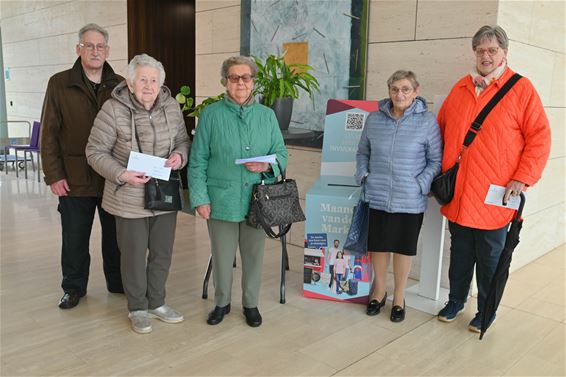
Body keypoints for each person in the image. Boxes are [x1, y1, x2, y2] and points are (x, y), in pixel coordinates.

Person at [436, 25, 551, 333]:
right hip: (460, 192)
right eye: (480, 50)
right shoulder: (461, 88)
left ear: (504, 53)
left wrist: (523, 177)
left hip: (496, 194)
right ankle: (456, 300)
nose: (485, 56)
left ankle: (487, 310)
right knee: (460, 253)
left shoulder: (521, 89)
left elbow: (539, 138)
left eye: (492, 50)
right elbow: (440, 129)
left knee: (491, 257)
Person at [86, 53, 190, 334]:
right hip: (128, 194)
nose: (148, 85)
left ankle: (157, 302)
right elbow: (94, 152)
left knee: (161, 253)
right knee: (132, 255)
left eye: (153, 80)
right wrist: (122, 174)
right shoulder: (113, 109)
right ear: (130, 83)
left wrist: (180, 156)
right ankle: (137, 308)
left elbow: (183, 140)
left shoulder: (171, 107)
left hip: (164, 193)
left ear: (160, 84)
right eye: (142, 79)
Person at [189, 56, 288, 328]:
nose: (240, 83)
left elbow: (281, 154)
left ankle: (250, 304)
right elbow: (197, 160)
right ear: (225, 82)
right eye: (234, 77)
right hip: (221, 199)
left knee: (254, 256)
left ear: (253, 82)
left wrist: (267, 165)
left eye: (246, 77)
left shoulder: (267, 116)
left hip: (257, 200)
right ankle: (221, 302)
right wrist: (200, 198)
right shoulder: (210, 115)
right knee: (222, 256)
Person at [40, 23, 124, 309]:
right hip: (74, 178)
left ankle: (117, 282)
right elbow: (48, 133)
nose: (95, 51)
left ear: (108, 51)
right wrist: (53, 175)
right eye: (89, 45)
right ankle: (73, 287)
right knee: (74, 238)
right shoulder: (59, 83)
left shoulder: (120, 85)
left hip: (111, 176)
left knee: (115, 236)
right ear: (79, 49)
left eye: (100, 46)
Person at [356, 70, 442, 322]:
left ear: (416, 91)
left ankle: (400, 296)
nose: (399, 94)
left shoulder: (427, 121)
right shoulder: (374, 119)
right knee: (379, 246)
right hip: (378, 194)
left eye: (405, 89)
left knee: (403, 248)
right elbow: (362, 152)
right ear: (389, 91)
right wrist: (364, 175)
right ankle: (380, 291)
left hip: (410, 198)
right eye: (395, 89)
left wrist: (420, 184)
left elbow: (435, 161)